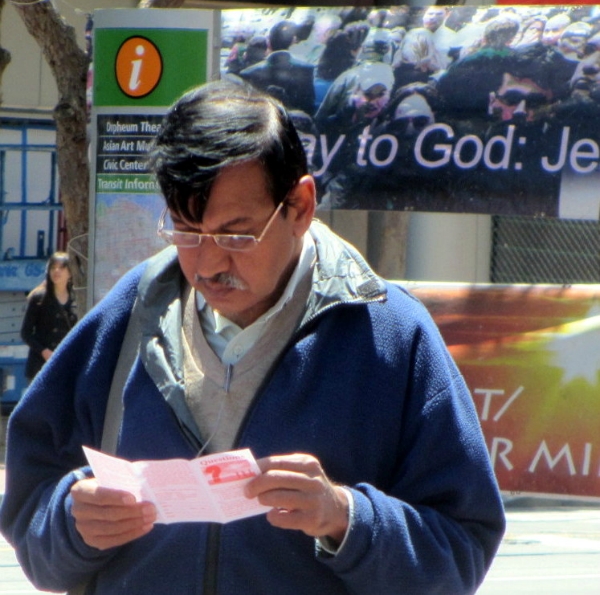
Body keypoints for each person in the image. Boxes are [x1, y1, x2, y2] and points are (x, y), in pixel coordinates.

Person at [0, 79, 505, 595]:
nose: (210, 262)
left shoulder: (391, 336)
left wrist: (347, 519)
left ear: (300, 207)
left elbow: (460, 553)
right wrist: (72, 522)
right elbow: (33, 526)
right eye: (186, 232)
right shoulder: (130, 317)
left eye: (237, 235)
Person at [19, 250, 77, 381]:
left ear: (70, 273)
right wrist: (44, 351)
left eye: (61, 268)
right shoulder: (39, 298)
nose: (56, 271)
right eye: (53, 267)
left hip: (66, 365)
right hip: (40, 366)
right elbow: (25, 333)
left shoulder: (76, 299)